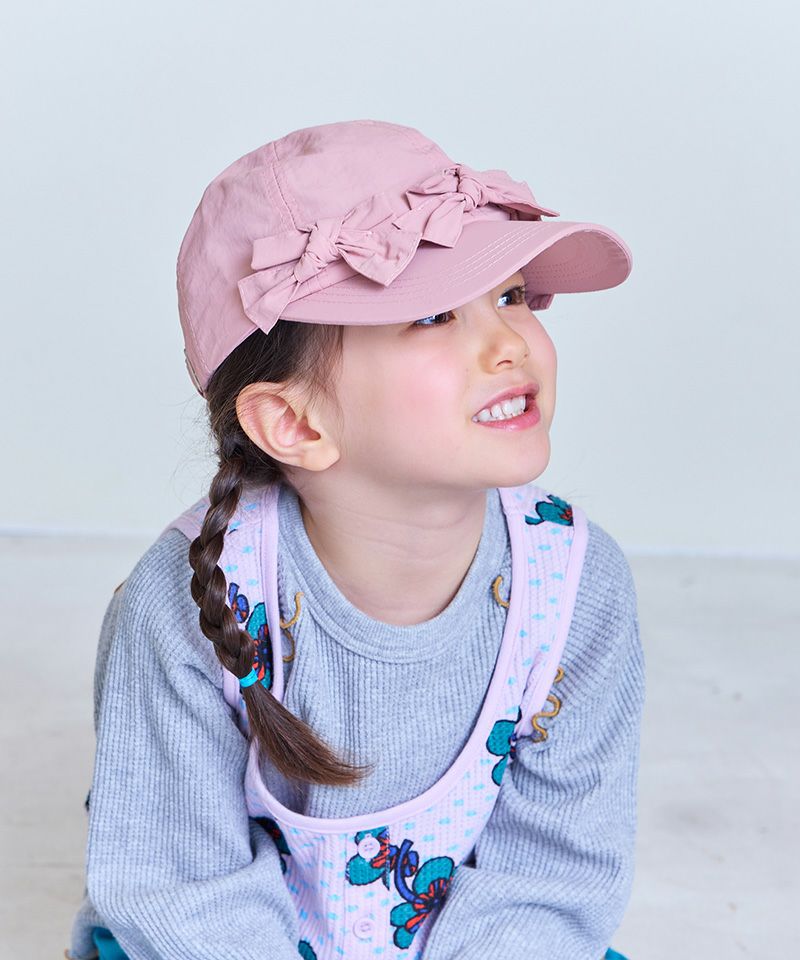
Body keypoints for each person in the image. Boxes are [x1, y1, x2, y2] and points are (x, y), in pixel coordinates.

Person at [65, 118, 645, 960]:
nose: (508, 345)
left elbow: (551, 881)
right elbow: (180, 887)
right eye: (434, 315)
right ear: (295, 423)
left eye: (512, 296)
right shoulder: (187, 603)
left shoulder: (575, 588)